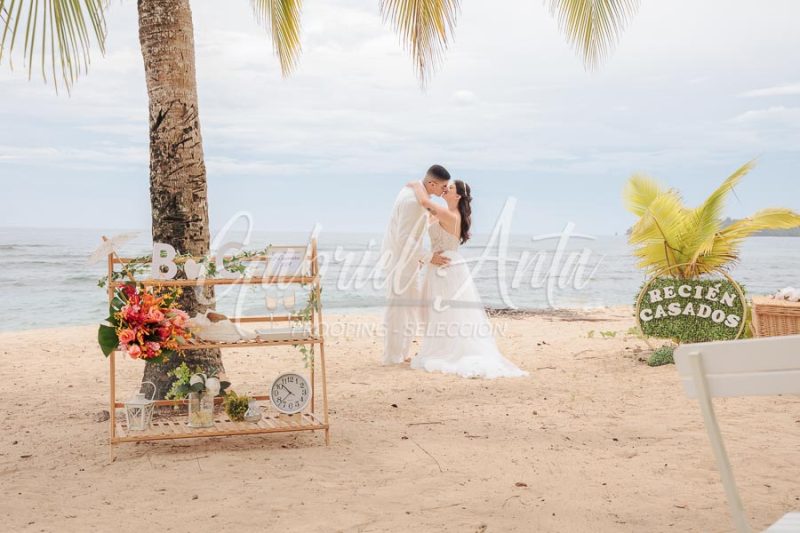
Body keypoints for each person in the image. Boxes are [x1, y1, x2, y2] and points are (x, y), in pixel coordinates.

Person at [405, 179, 528, 379]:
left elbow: (425, 203)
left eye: (450, 187)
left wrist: (418, 186)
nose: (446, 188)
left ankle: (448, 351)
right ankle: (440, 347)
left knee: (447, 312)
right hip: (438, 264)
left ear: (458, 196)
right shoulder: (446, 213)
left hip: (446, 266)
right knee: (439, 313)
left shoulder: (451, 215)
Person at [381, 164, 451, 364]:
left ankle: (400, 353)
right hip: (399, 262)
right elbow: (403, 237)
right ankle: (392, 356)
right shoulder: (412, 201)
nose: (444, 190)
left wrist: (418, 259)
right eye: (443, 186)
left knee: (408, 307)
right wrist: (427, 257)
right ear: (431, 183)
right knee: (398, 309)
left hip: (407, 261)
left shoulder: (414, 192)